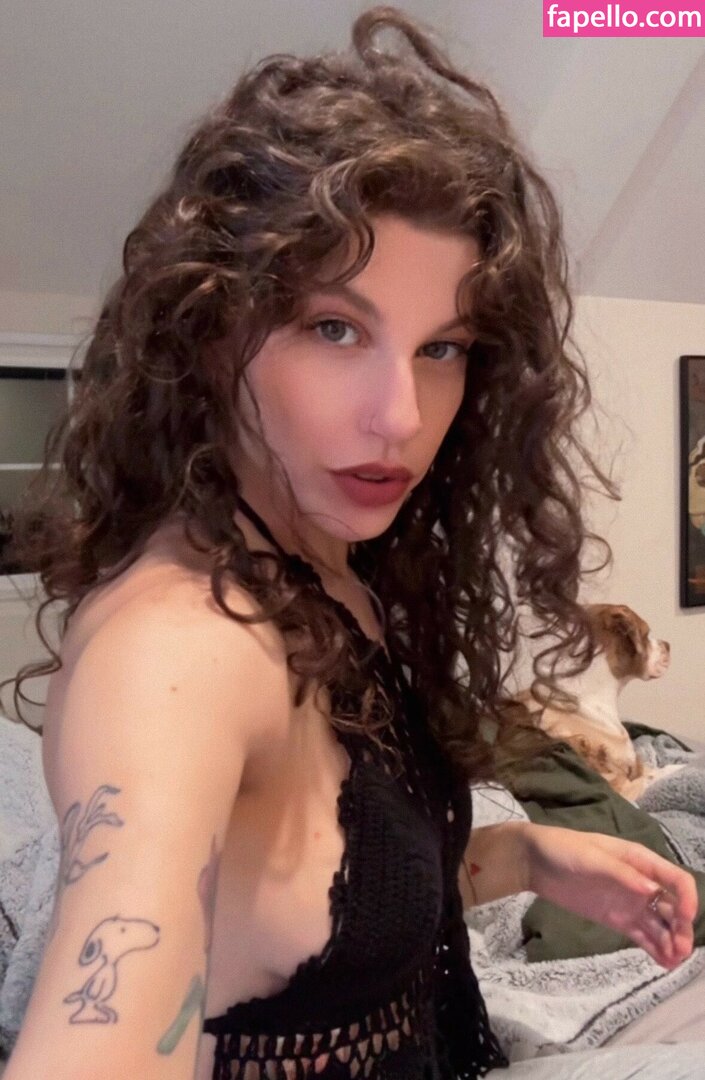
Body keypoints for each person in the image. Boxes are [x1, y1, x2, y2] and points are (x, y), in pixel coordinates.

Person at [1, 6, 702, 1079]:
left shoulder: (335, 570)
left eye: (442, 348)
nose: (401, 418)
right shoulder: (177, 650)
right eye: (335, 328)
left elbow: (330, 906)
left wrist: (527, 853)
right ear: (211, 331)